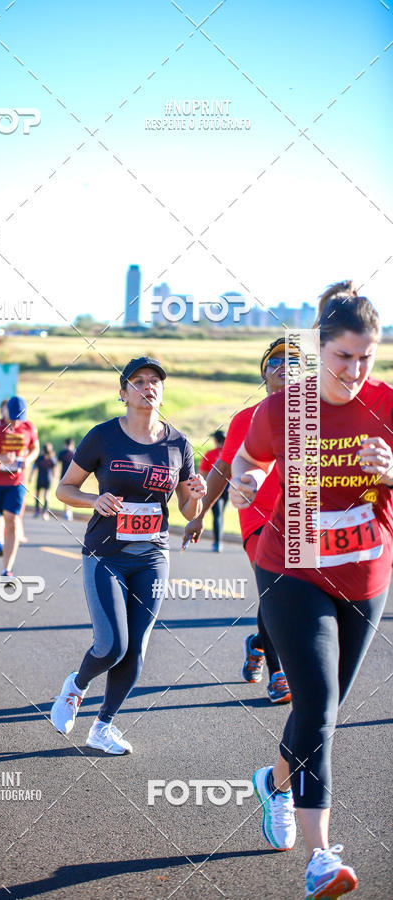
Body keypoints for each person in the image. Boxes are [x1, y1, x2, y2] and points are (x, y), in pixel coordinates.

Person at [231, 282, 392, 898]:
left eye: (367, 357)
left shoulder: (388, 406)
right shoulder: (281, 411)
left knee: (318, 714)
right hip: (291, 570)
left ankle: (273, 782)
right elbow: (249, 463)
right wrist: (245, 484)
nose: (355, 370)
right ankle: (322, 857)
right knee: (318, 704)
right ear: (319, 347)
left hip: (366, 575)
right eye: (343, 356)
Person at [51, 357, 207, 754]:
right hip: (106, 552)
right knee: (112, 645)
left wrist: (198, 495)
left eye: (155, 381)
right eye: (138, 381)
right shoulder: (103, 437)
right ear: (123, 393)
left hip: (153, 555)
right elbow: (64, 490)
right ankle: (76, 687)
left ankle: (102, 727)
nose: (147, 387)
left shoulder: (179, 444)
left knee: (137, 647)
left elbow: (188, 510)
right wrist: (93, 499)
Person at [183, 338, 299, 704]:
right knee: (276, 588)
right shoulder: (247, 419)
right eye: (276, 361)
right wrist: (200, 514)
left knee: (294, 597)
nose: (285, 367)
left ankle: (258, 643)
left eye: (294, 361)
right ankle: (280, 674)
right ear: (264, 375)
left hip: (303, 517)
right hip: (258, 516)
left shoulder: (317, 416)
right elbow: (223, 467)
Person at [0, 395, 39, 578]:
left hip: (16, 483)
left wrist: (28, 459)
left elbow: (35, 447)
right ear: (6, 412)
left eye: (21, 417)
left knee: (13, 521)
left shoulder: (28, 428)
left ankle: (7, 569)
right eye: (14, 416)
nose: (17, 421)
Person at [198, 429, 228, 551]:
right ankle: (218, 542)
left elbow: (203, 473)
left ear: (216, 440)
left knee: (217, 514)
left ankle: (217, 543)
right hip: (228, 486)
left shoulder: (210, 454)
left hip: (214, 486)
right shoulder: (229, 453)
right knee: (220, 514)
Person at [31, 442, 57, 520]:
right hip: (48, 479)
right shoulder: (52, 458)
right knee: (46, 496)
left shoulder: (39, 458)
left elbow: (34, 468)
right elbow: (54, 470)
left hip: (40, 479)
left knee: (37, 495)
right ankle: (45, 513)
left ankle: (37, 511)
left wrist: (30, 477)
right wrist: (55, 478)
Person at [57, 438, 75, 520]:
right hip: (74, 477)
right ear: (72, 445)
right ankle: (69, 512)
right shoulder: (75, 453)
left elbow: (57, 465)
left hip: (63, 476)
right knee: (72, 494)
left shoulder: (61, 453)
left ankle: (67, 512)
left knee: (65, 494)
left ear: (65, 444)